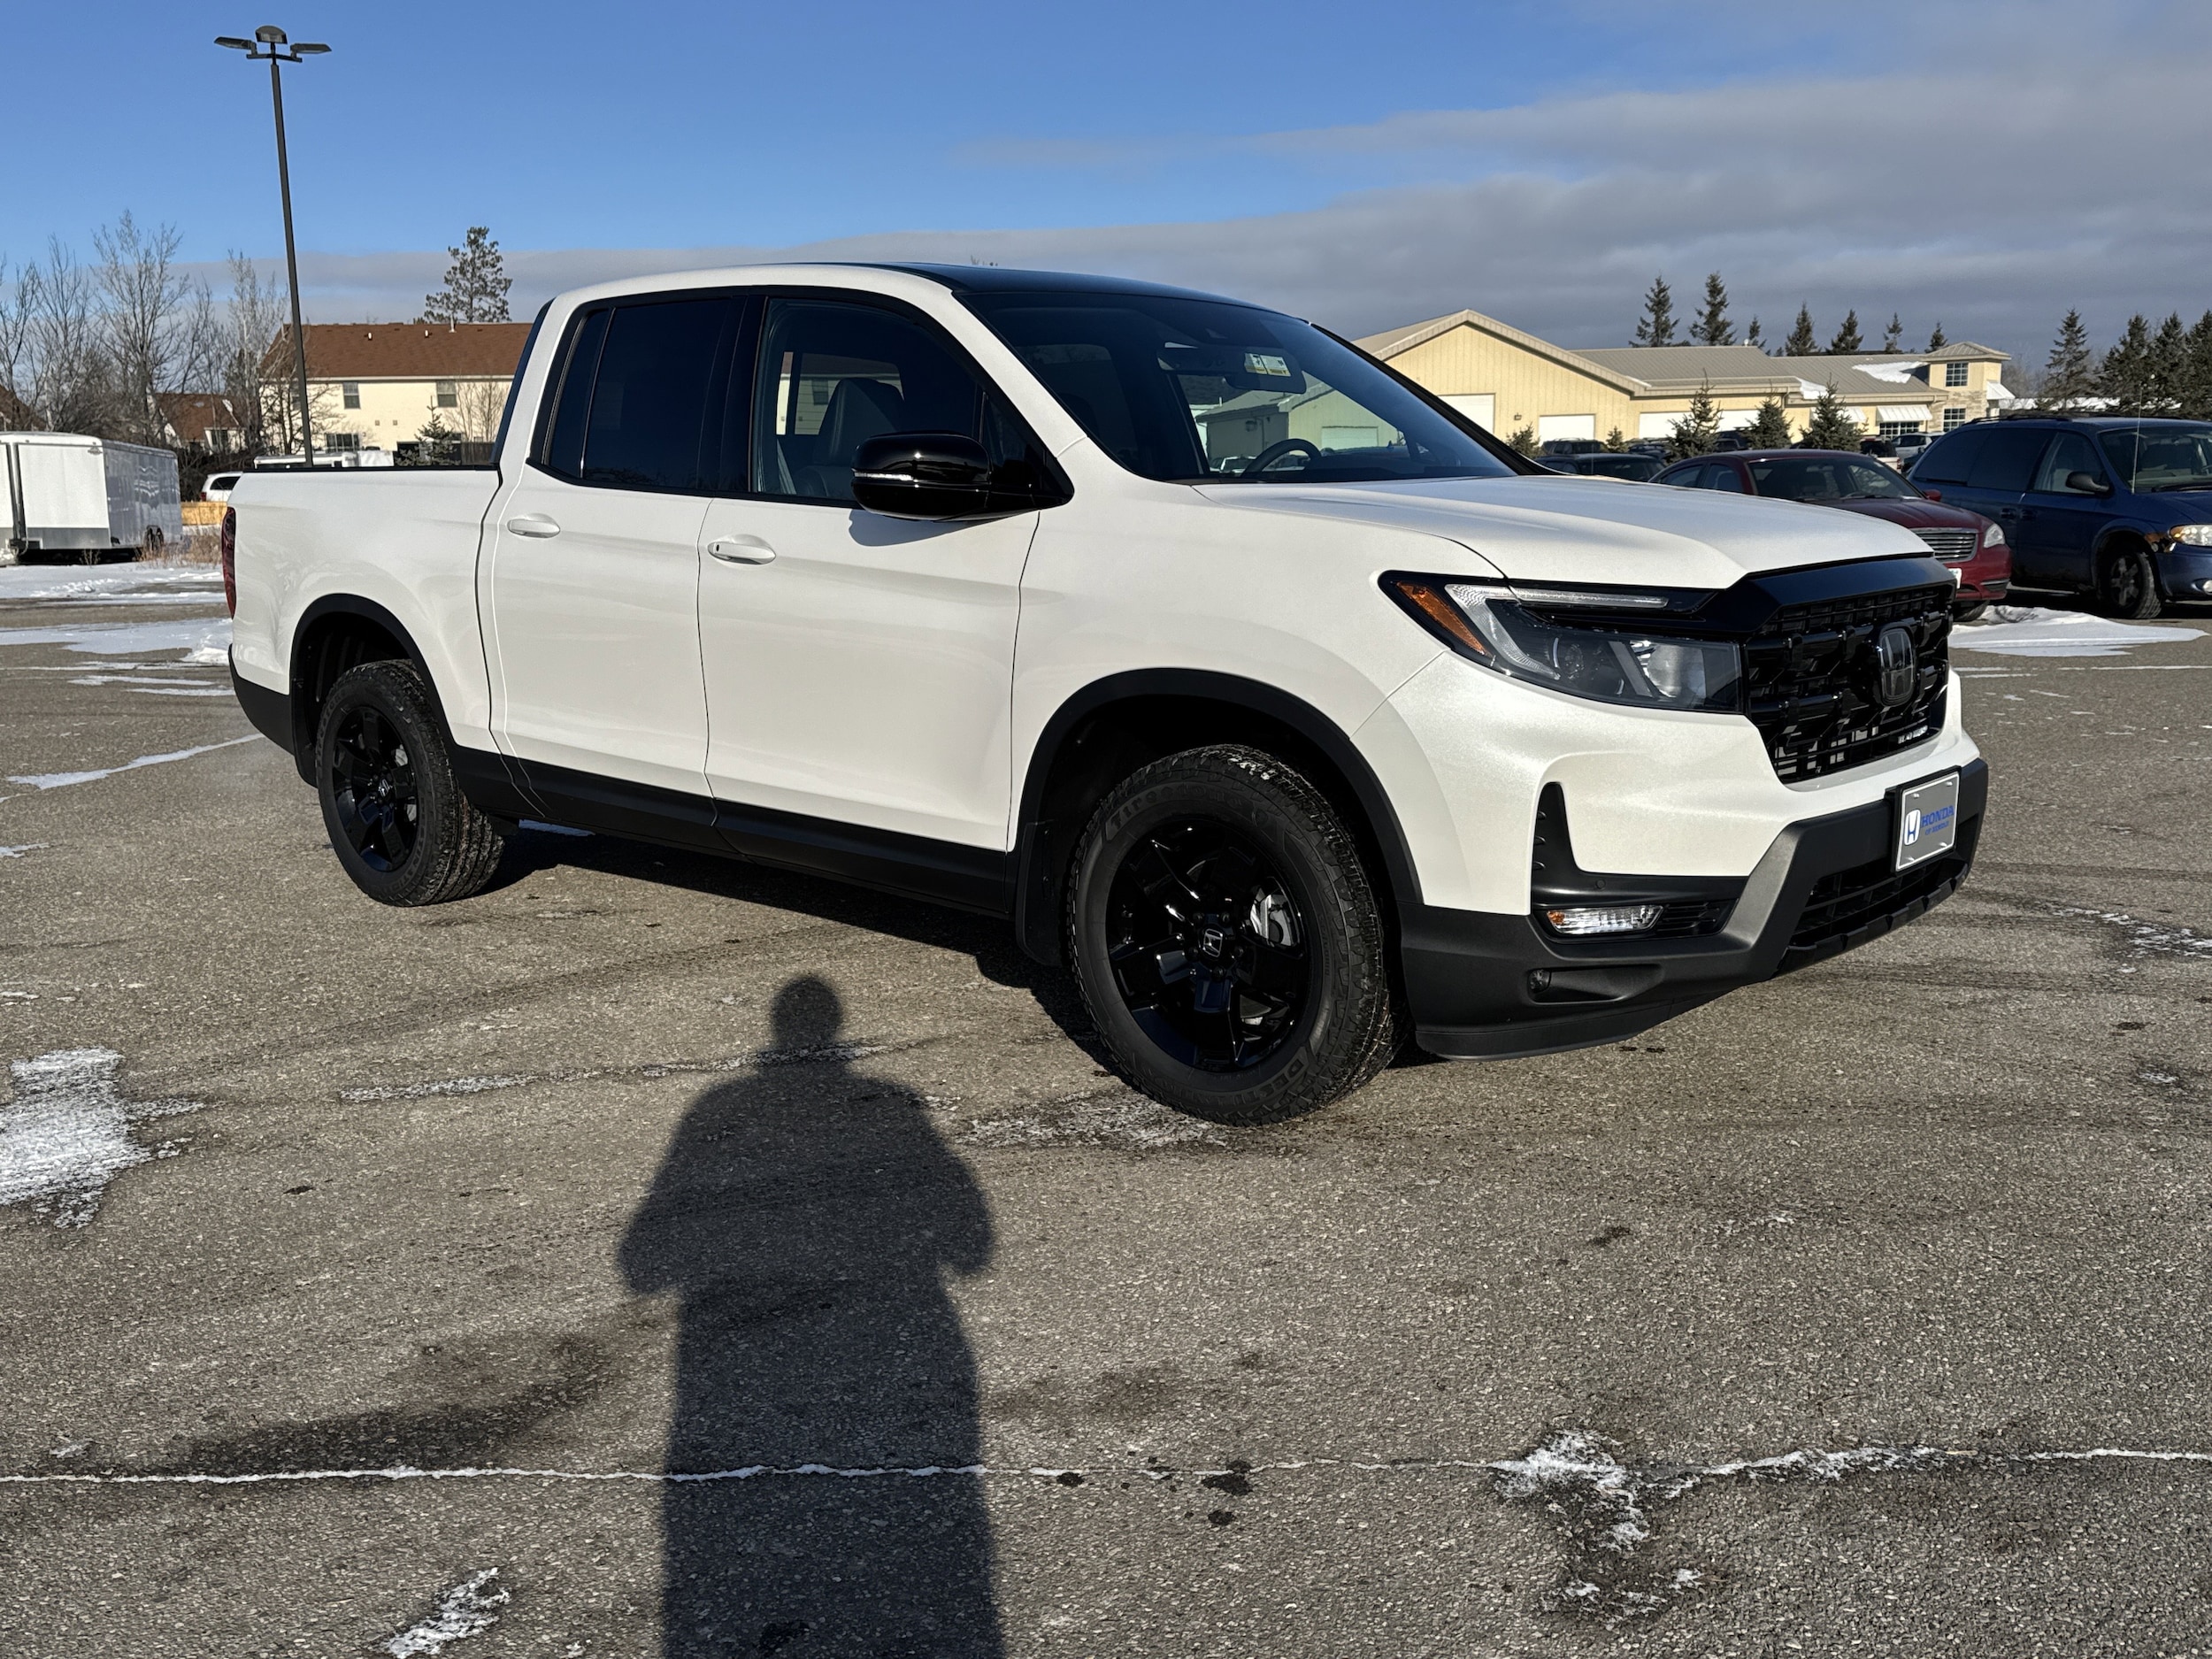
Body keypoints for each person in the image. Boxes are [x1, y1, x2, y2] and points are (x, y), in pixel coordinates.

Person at [620, 976, 999, 1655]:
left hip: (733, 1395)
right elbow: (974, 1244)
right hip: (910, 1376)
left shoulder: (717, 1108)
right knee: (943, 1567)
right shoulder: (896, 1104)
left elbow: (640, 1262)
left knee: (715, 1568)